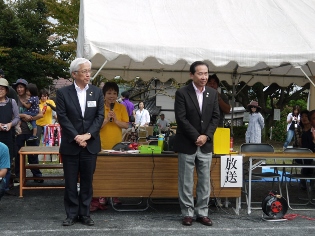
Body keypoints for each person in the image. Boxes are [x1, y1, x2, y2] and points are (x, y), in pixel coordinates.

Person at [56, 58, 104, 227]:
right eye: (84, 71)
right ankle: (71, 214)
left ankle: (85, 213)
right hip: (71, 144)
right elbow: (62, 117)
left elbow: (99, 117)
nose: (88, 74)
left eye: (89, 71)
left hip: (90, 145)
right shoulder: (63, 93)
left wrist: (88, 135)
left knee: (87, 181)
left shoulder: (97, 92)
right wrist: (77, 136)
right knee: (70, 182)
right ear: (74, 74)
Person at [174, 61, 220, 226]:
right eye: (200, 74)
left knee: (204, 181)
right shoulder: (182, 93)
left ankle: (202, 212)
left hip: (205, 145)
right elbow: (181, 118)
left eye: (206, 73)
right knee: (186, 181)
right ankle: (187, 213)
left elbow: (215, 117)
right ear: (191, 75)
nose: (204, 77)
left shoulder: (212, 93)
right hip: (188, 143)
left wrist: (206, 136)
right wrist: (196, 136)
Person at [90, 81, 129, 211]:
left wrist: (116, 120)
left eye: (114, 93)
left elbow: (126, 125)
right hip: (101, 143)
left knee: (116, 170)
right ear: (104, 94)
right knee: (101, 171)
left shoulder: (121, 107)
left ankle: (115, 194)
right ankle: (101, 195)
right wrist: (106, 119)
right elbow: (95, 127)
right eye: (109, 93)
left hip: (116, 144)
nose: (112, 96)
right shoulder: (99, 107)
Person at [13, 78, 43, 183]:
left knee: (33, 154)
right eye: (17, 87)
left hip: (31, 131)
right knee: (18, 154)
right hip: (19, 131)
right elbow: (12, 114)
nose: (19, 89)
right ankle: (19, 176)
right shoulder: (14, 99)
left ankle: (37, 175)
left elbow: (40, 114)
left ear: (26, 89)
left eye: (21, 87)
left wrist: (30, 118)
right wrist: (23, 115)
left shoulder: (32, 99)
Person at [0, 78, 20, 194]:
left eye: (2, 89)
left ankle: (5, 186)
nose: (0, 91)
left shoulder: (11, 102)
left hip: (8, 134)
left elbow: (17, 117)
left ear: (7, 90)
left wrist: (10, 124)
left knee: (7, 161)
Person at [300, 110, 315, 181]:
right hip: (308, 155)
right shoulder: (306, 134)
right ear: (311, 122)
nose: (304, 118)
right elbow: (307, 149)